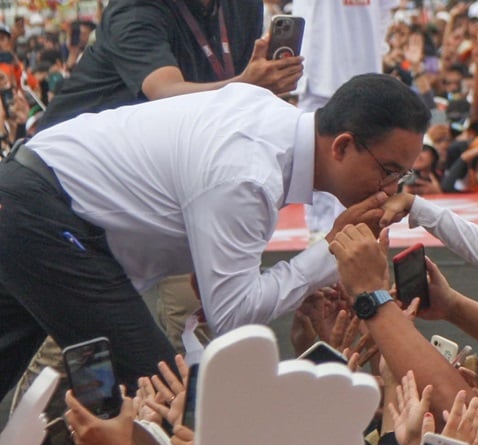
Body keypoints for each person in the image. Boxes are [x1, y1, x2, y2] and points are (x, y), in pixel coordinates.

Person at [0, 74, 430, 395]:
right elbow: (232, 315)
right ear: (341, 146)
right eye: (389, 170)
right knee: (171, 399)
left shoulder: (267, 125)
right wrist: (334, 250)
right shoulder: (250, 174)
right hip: (47, 215)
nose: (390, 189)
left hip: (33, 200)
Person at [36, 0, 303, 129]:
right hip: (57, 181)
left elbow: (236, 91)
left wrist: (263, 81)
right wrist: (247, 84)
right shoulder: (136, 9)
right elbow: (165, 93)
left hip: (154, 165)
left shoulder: (242, 6)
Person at [293, 0, 399, 235]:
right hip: (319, 66)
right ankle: (319, 233)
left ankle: (354, 233)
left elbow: (384, 13)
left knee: (360, 161)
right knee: (313, 157)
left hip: (362, 67)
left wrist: (376, 51)